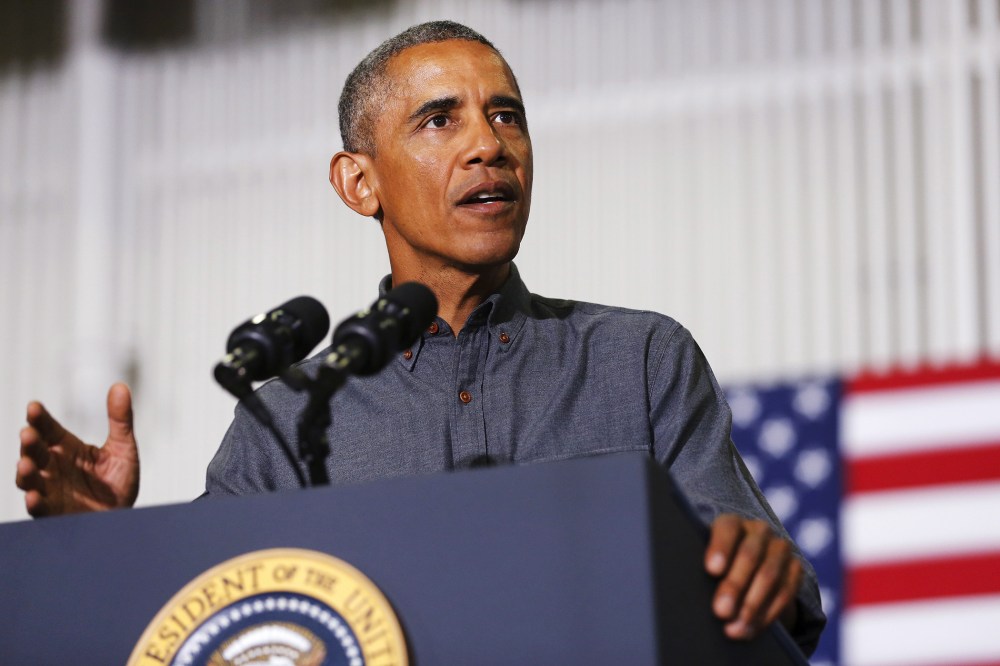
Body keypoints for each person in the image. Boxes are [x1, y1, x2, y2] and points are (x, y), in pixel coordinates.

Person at [16, 20, 825, 655]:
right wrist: (106, 544)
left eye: (506, 115)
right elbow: (212, 621)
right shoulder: (289, 419)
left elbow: (768, 589)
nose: (489, 145)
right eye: (441, 119)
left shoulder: (640, 359)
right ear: (358, 182)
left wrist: (763, 571)